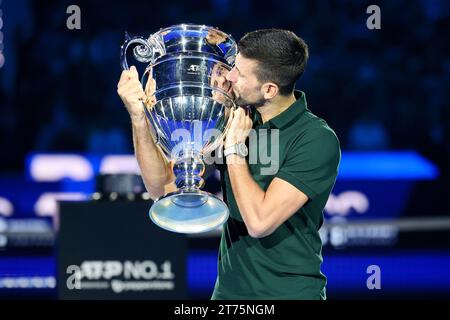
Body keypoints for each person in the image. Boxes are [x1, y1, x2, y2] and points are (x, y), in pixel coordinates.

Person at [117, 28, 341, 300]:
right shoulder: (231, 116)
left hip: (290, 294)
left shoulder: (315, 139)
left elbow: (259, 222)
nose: (229, 76)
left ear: (269, 89)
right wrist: (139, 118)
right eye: (234, 66)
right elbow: (163, 189)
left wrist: (234, 150)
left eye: (240, 74)